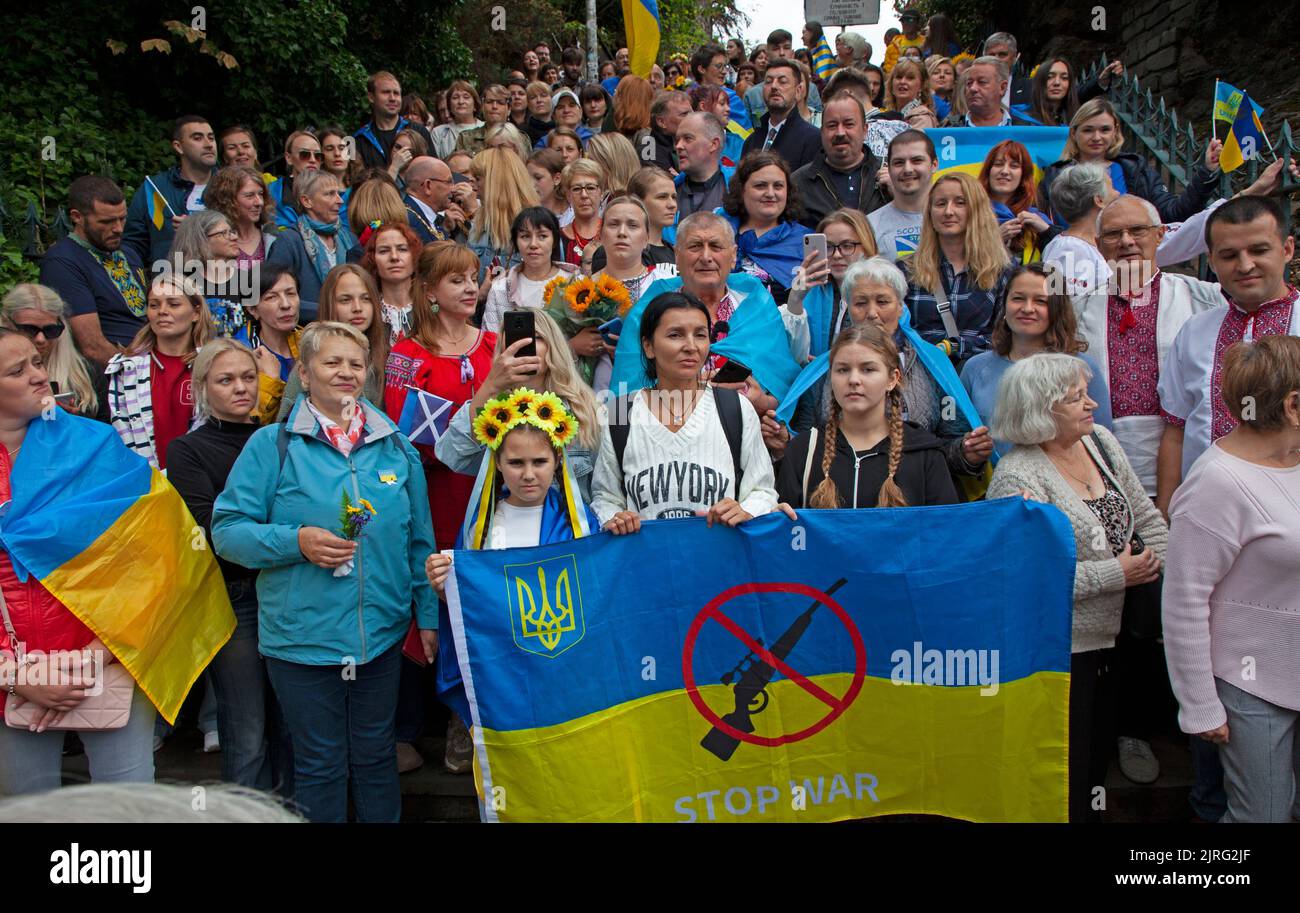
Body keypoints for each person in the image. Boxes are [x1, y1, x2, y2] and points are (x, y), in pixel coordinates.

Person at [212, 321, 437, 823]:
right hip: (302, 642)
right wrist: (296, 542)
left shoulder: (396, 447)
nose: (345, 372)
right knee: (320, 764)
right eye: (332, 362)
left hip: (379, 635)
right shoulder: (273, 445)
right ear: (306, 373)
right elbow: (227, 530)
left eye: (355, 363)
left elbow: (419, 541)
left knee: (377, 758)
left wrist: (426, 617)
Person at [0, 329, 230, 797]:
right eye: (17, 370)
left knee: (128, 807)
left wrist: (97, 657)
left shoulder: (96, 444)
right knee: (29, 810)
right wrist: (14, 674)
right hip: (14, 674)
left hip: (110, 658)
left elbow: (163, 555)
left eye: (36, 363)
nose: (39, 376)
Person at [986, 353, 1167, 822]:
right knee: (1067, 766)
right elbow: (1020, 579)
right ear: (1041, 410)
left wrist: (1168, 569)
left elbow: (1146, 517)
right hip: (1064, 652)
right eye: (1075, 398)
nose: (1092, 403)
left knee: (1097, 764)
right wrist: (1116, 575)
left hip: (1120, 637)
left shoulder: (1101, 442)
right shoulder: (1016, 478)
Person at [1162, 335, 1300, 823]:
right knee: (1260, 817)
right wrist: (1199, 704)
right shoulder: (1217, 482)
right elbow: (1183, 601)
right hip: (1252, 686)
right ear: (1293, 406)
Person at [426, 387, 602, 727]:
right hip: (503, 674)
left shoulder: (581, 524)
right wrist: (443, 588)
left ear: (558, 460)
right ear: (497, 463)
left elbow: (597, 594)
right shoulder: (481, 526)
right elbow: (470, 605)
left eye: (540, 461)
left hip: (564, 674)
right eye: (516, 463)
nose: (529, 474)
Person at [166, 338, 289, 791]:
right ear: (202, 387)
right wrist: (283, 535)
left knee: (291, 726)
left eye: (248, 377)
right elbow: (212, 529)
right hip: (236, 598)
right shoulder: (187, 450)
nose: (241, 387)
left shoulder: (283, 439)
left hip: (291, 591)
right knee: (247, 728)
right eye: (226, 379)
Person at [1072, 195, 1226, 495]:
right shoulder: (1078, 308)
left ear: (1160, 235)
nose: (1126, 241)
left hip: (1187, 454)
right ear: (1098, 244)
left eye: (1137, 230)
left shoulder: (1203, 298)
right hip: (1101, 458)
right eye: (1114, 234)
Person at [1157, 195, 1299, 515]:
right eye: (1229, 255)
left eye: (1259, 250)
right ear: (1212, 260)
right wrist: (1167, 510)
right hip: (1205, 510)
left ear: (1287, 249)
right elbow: (1176, 429)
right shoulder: (1194, 331)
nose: (1245, 265)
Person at [592, 291, 778, 527]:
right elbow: (604, 497)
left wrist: (745, 510)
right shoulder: (619, 413)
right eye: (675, 335)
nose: (691, 346)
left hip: (719, 558)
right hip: (646, 559)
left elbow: (762, 490)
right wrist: (614, 518)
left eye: (700, 335)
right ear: (648, 346)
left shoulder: (736, 408)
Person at [383, 242, 495, 551]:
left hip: (499, 491)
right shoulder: (409, 354)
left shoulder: (494, 345)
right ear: (430, 291)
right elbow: (406, 442)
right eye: (457, 281)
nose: (471, 288)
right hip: (441, 494)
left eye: (473, 278)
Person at [778, 323, 958, 508]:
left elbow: (943, 532)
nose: (854, 380)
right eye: (842, 370)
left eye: (868, 369)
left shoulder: (925, 454)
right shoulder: (804, 451)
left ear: (892, 379)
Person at [437, 310, 601, 498]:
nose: (526, 344)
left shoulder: (585, 409)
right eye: (516, 339)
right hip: (507, 523)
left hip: (568, 525)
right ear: (502, 350)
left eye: (537, 337)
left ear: (553, 347)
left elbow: (601, 489)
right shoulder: (490, 407)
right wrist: (490, 386)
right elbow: (451, 456)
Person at [961, 263, 1111, 456]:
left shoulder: (1081, 368)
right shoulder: (975, 368)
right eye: (1018, 298)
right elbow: (955, 435)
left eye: (1041, 301)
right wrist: (967, 451)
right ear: (1004, 304)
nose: (1027, 308)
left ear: (1057, 309)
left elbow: (1101, 440)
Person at [1039, 98, 1221, 225]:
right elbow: (1045, 224)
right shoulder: (1054, 175)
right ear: (1073, 133)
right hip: (1072, 265)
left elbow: (1173, 213)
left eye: (1104, 130)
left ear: (1115, 131)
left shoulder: (1134, 169)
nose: (1096, 137)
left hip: (1127, 267)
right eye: (1088, 130)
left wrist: (1206, 171)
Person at [900, 171, 1012, 370]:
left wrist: (954, 347)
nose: (948, 211)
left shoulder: (1002, 271)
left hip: (978, 377)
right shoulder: (906, 270)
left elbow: (1006, 337)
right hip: (920, 376)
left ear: (977, 210)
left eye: (960, 202)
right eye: (940, 203)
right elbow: (896, 332)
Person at [105, 274, 212, 469]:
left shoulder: (214, 364)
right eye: (154, 305)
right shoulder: (125, 368)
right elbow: (120, 433)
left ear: (196, 312)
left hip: (200, 477)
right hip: (144, 481)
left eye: (173, 304)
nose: (162, 311)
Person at [39, 176, 148, 365]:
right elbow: (92, 347)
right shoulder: (62, 262)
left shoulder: (128, 253)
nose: (118, 229)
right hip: (114, 376)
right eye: (106, 222)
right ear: (77, 217)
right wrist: (140, 373)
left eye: (122, 218)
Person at [277, 264, 387, 422]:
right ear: (330, 303)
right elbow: (284, 430)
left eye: (366, 299)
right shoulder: (309, 364)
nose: (357, 308)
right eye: (345, 300)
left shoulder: (388, 358)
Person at [782, 208, 879, 362]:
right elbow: (787, 352)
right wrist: (795, 299)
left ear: (866, 247)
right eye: (828, 247)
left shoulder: (886, 292)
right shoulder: (810, 293)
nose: (837, 255)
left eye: (847, 246)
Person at [123, 115, 217, 268]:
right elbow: (133, 244)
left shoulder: (230, 186)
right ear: (179, 147)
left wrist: (194, 230)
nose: (208, 144)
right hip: (170, 284)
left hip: (225, 284)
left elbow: (246, 236)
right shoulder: (155, 188)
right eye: (197, 138)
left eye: (211, 138)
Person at [719, 151, 812, 305]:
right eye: (760, 185)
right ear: (741, 190)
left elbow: (811, 305)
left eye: (778, 186)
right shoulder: (719, 232)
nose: (770, 193)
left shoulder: (803, 242)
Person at [1, 284, 104, 421]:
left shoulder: (87, 371)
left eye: (51, 330)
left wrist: (70, 421)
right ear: (6, 324)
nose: (40, 339)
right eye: (29, 330)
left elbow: (105, 425)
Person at [267, 170, 359, 321]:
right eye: (329, 194)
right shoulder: (289, 241)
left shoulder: (349, 238)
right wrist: (329, 311)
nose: (340, 201)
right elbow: (276, 294)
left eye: (338, 193)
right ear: (307, 201)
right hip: (308, 332)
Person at [792, 95, 886, 229]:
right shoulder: (798, 183)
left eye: (848, 124)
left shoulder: (888, 177)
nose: (840, 133)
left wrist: (899, 194)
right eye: (832, 125)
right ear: (822, 131)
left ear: (865, 130)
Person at [481, 207, 574, 334]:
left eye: (542, 236)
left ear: (554, 241)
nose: (533, 244)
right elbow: (491, 341)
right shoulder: (500, 289)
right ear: (516, 242)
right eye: (525, 236)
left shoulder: (574, 283)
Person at [233, 264, 303, 424]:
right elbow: (247, 424)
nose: (286, 304)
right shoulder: (239, 354)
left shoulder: (312, 343)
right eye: (271, 297)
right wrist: (270, 379)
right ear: (252, 309)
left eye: (291, 293)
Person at [164, 209, 247, 338]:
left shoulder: (246, 280)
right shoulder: (179, 283)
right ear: (201, 240)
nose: (234, 237)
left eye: (232, 231)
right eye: (224, 233)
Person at [978, 139, 1057, 263]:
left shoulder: (1036, 218)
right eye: (998, 164)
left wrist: (1047, 231)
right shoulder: (971, 214)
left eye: (1014, 166)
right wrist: (994, 240)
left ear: (1023, 176)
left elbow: (1068, 256)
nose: (1004, 171)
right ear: (988, 171)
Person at [741, 59, 820, 173]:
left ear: (798, 91)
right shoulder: (751, 141)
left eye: (782, 82)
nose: (774, 86)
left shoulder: (813, 139)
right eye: (768, 81)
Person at [867, 129, 935, 262]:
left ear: (934, 165)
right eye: (899, 162)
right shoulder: (870, 226)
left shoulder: (954, 219)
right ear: (889, 168)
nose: (908, 169)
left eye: (916, 161)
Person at [354, 70, 434, 170]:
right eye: (386, 92)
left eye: (396, 93)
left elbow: (434, 171)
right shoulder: (359, 139)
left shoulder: (419, 131)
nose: (392, 98)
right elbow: (355, 182)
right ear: (371, 97)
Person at [204, 165, 278, 270]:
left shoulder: (272, 236)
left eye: (261, 194)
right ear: (227, 200)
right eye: (250, 196)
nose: (259, 202)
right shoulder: (211, 242)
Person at [744, 29, 823, 125]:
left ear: (792, 53)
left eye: (786, 47)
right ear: (767, 55)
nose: (781, 53)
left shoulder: (810, 88)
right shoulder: (752, 95)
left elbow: (819, 122)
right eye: (776, 48)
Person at [361, 222, 424, 343]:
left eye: (402, 249)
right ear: (372, 259)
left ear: (414, 255)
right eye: (384, 251)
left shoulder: (431, 305)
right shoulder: (366, 310)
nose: (394, 257)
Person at [941, 57, 1038, 127]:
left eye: (982, 82)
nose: (973, 88)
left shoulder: (1024, 130)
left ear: (1002, 88)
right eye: (969, 83)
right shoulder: (949, 129)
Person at [689, 42, 753, 131]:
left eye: (725, 66)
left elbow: (746, 137)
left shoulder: (732, 99)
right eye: (719, 66)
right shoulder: (687, 99)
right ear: (702, 69)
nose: (724, 72)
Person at [268, 130, 323, 229]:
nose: (312, 159)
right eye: (304, 154)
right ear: (288, 158)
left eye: (318, 155)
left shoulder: (333, 194)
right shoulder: (271, 193)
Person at [558, 158, 605, 267]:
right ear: (568, 195)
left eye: (590, 188)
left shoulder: (613, 234)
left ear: (601, 193)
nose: (584, 194)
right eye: (577, 189)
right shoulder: (557, 239)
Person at [401, 156, 456, 243]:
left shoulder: (433, 219)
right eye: (448, 182)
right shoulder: (407, 222)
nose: (453, 189)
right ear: (428, 186)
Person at [431, 81, 485, 159]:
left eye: (466, 97)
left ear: (475, 105)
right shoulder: (438, 132)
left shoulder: (486, 128)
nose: (461, 102)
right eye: (455, 97)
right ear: (449, 105)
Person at [455, 84, 511, 157]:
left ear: (509, 109)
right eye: (489, 102)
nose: (494, 106)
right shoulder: (465, 138)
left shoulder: (521, 139)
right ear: (482, 107)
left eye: (500, 102)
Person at [647, 90, 692, 173]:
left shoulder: (693, 141)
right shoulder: (650, 151)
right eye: (684, 114)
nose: (692, 118)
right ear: (661, 122)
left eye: (692, 113)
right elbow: (672, 181)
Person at [881, 58, 937, 123]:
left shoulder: (922, 118)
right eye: (899, 77)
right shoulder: (885, 115)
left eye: (910, 78)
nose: (902, 82)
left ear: (922, 86)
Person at [526, 148, 568, 222]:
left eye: (538, 178)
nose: (530, 184)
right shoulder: (523, 213)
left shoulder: (573, 214)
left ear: (557, 178)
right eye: (526, 178)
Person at [883, 8, 926, 74]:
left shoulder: (926, 43)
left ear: (918, 23)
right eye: (903, 21)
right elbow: (888, 72)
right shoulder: (893, 46)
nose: (906, 23)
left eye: (910, 20)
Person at [523, 80, 556, 146]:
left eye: (543, 95)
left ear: (552, 99)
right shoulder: (523, 134)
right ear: (528, 104)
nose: (539, 100)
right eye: (533, 97)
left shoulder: (563, 128)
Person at [926, 56, 957, 120]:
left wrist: (933, 97)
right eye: (936, 72)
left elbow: (952, 119)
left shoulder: (960, 104)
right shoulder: (918, 101)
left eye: (947, 73)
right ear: (928, 80)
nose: (942, 75)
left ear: (954, 82)